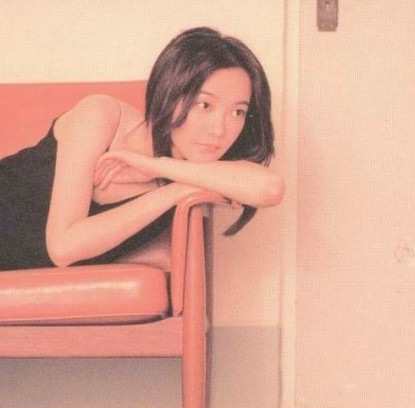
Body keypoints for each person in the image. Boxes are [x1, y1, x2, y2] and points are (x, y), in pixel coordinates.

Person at [0, 26, 284, 271]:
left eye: (237, 112)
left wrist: (163, 173)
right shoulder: (102, 117)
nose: (219, 130)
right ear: (169, 92)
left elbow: (270, 188)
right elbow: (63, 246)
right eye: (204, 105)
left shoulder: (193, 172)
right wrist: (176, 190)